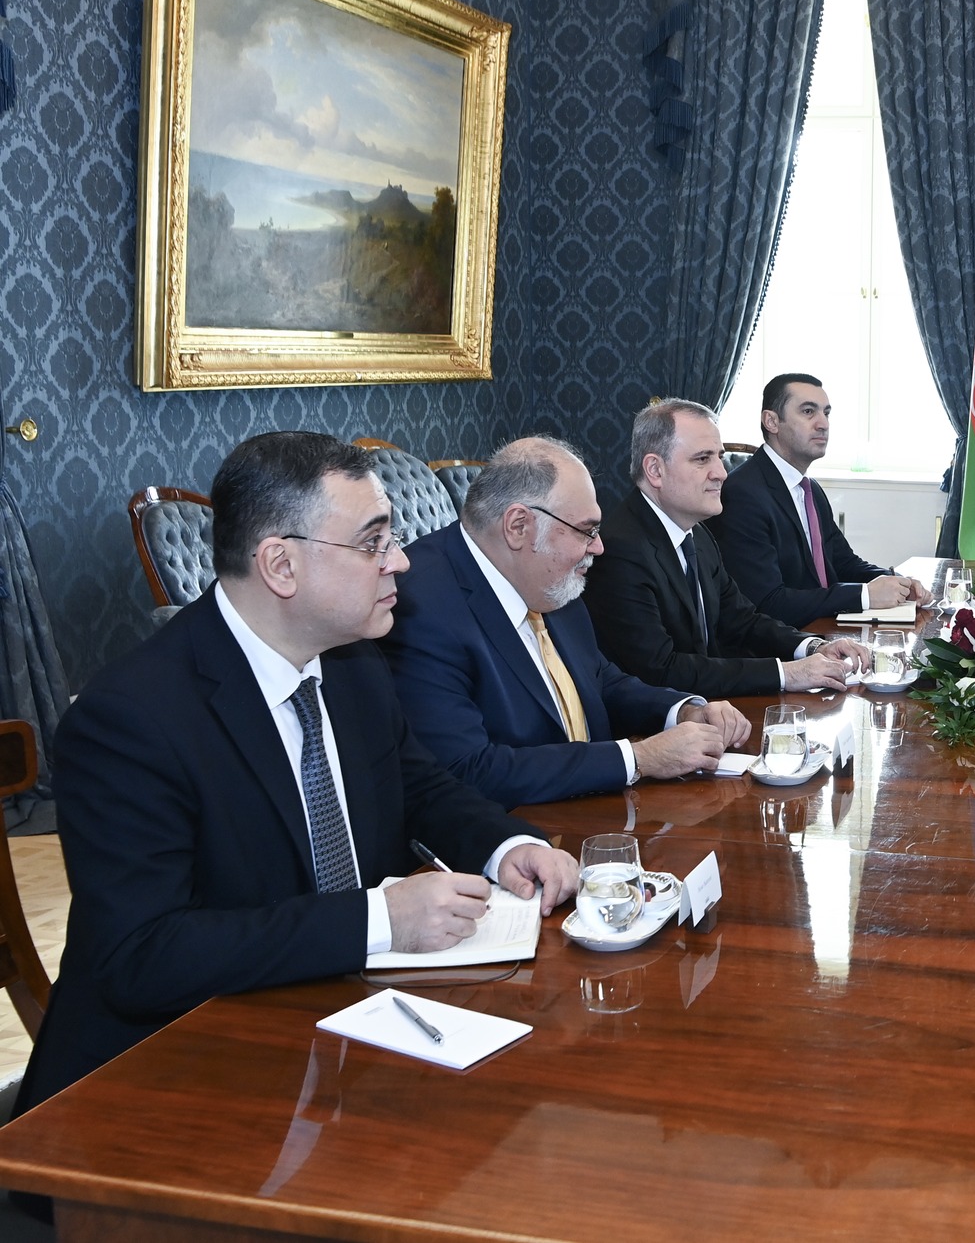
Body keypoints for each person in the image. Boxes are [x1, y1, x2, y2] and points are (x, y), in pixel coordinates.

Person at [14, 432, 579, 1119]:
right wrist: (380, 919)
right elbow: (143, 956)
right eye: (372, 543)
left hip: (335, 1029)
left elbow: (419, 786)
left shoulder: (352, 661)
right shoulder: (129, 720)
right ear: (281, 565)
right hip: (162, 1080)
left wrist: (505, 845)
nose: (400, 561)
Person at [382, 437, 751, 808]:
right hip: (520, 829)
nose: (599, 546)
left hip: (597, 810)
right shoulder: (421, 607)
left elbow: (600, 680)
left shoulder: (548, 576)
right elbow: (469, 770)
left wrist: (683, 710)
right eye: (586, 530)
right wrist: (639, 758)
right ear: (518, 526)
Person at [584, 398, 871, 698]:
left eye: (719, 457)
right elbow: (662, 670)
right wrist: (786, 674)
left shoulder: (697, 533)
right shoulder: (621, 551)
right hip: (660, 720)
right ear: (655, 470)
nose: (721, 472)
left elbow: (741, 620)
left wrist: (812, 646)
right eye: (702, 459)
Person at [707, 374, 929, 627]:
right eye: (808, 411)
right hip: (783, 641)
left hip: (822, 629)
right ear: (771, 421)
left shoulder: (810, 488)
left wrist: (897, 581)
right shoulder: (742, 494)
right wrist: (865, 596)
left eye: (826, 413)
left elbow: (842, 562)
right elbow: (766, 603)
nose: (823, 424)